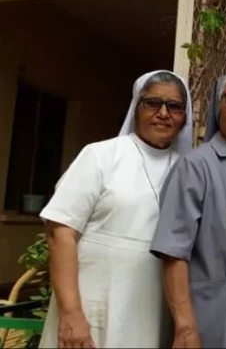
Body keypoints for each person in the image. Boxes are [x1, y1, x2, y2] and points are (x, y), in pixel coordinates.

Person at [38, 70, 193, 348]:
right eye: (152, 103)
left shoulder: (189, 168)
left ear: (184, 117)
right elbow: (60, 233)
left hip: (154, 308)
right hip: (94, 304)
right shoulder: (101, 155)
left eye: (174, 106)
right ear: (136, 108)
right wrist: (71, 313)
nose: (163, 113)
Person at [150, 72, 226, 348]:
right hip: (211, 314)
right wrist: (185, 324)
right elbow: (172, 252)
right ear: (219, 107)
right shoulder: (196, 166)